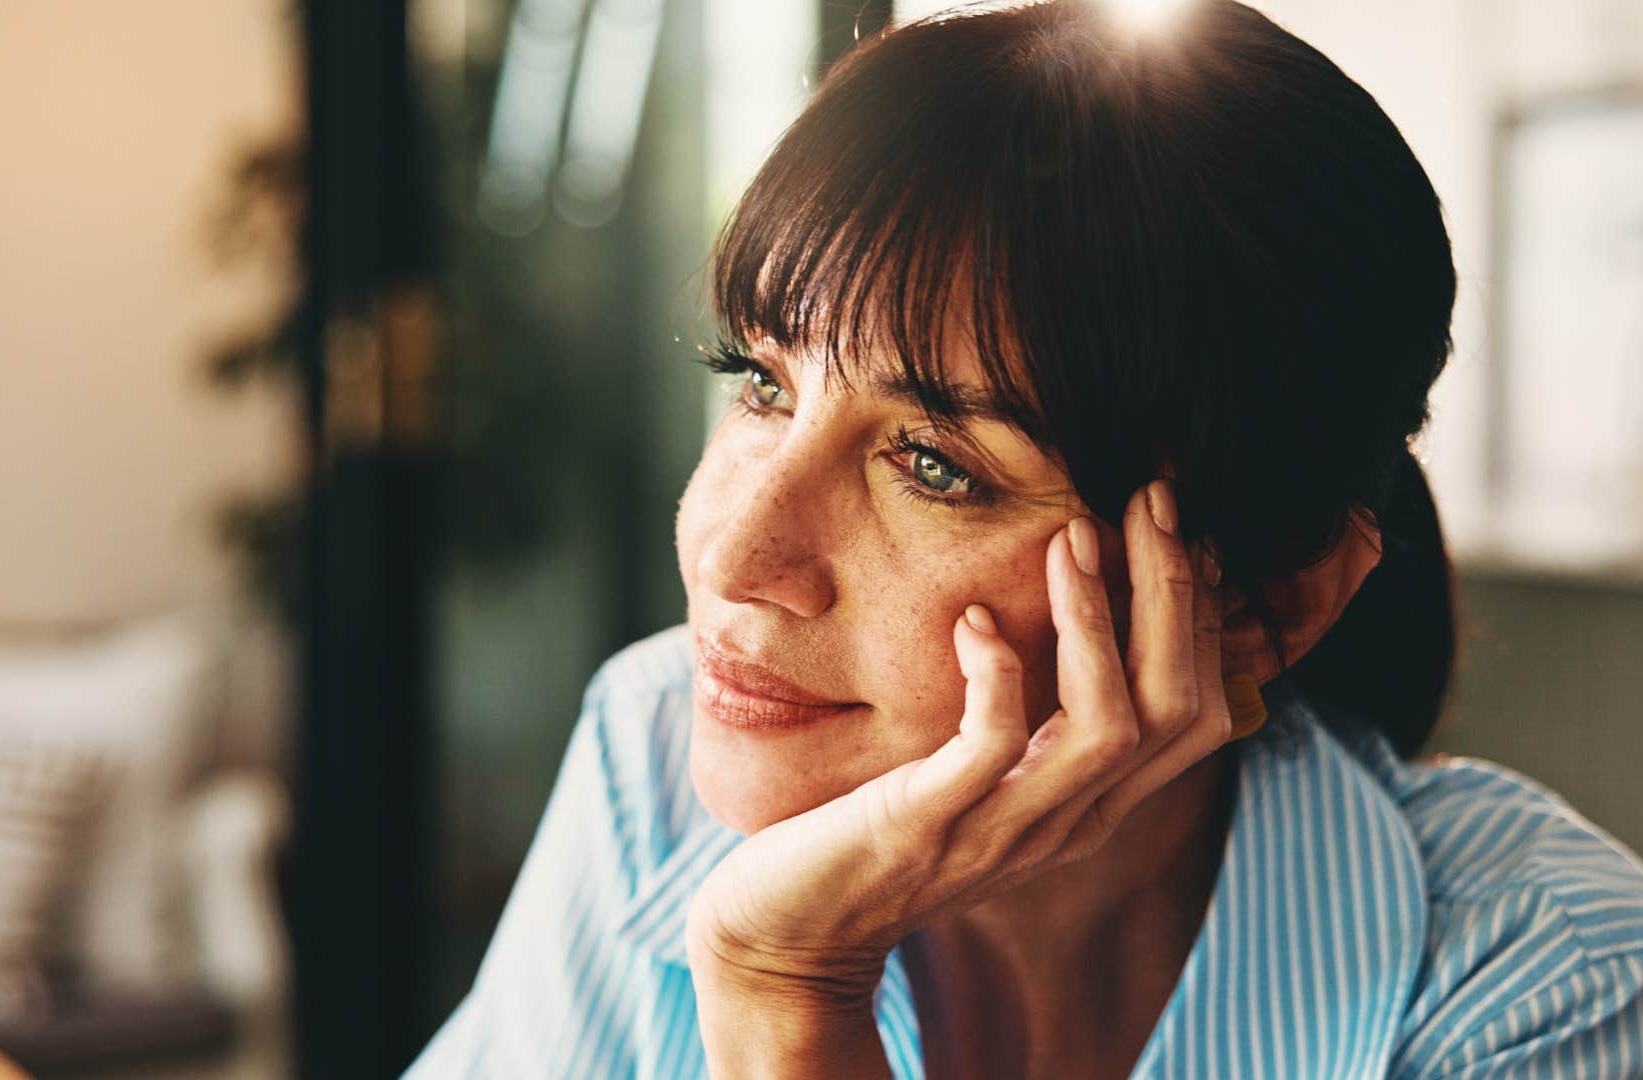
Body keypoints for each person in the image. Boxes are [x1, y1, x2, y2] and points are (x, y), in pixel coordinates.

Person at [408, 1, 1643, 1076]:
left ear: (1259, 603)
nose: (734, 560)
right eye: (765, 384)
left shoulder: (1549, 984)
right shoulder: (653, 753)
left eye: (934, 466)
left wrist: (785, 991)